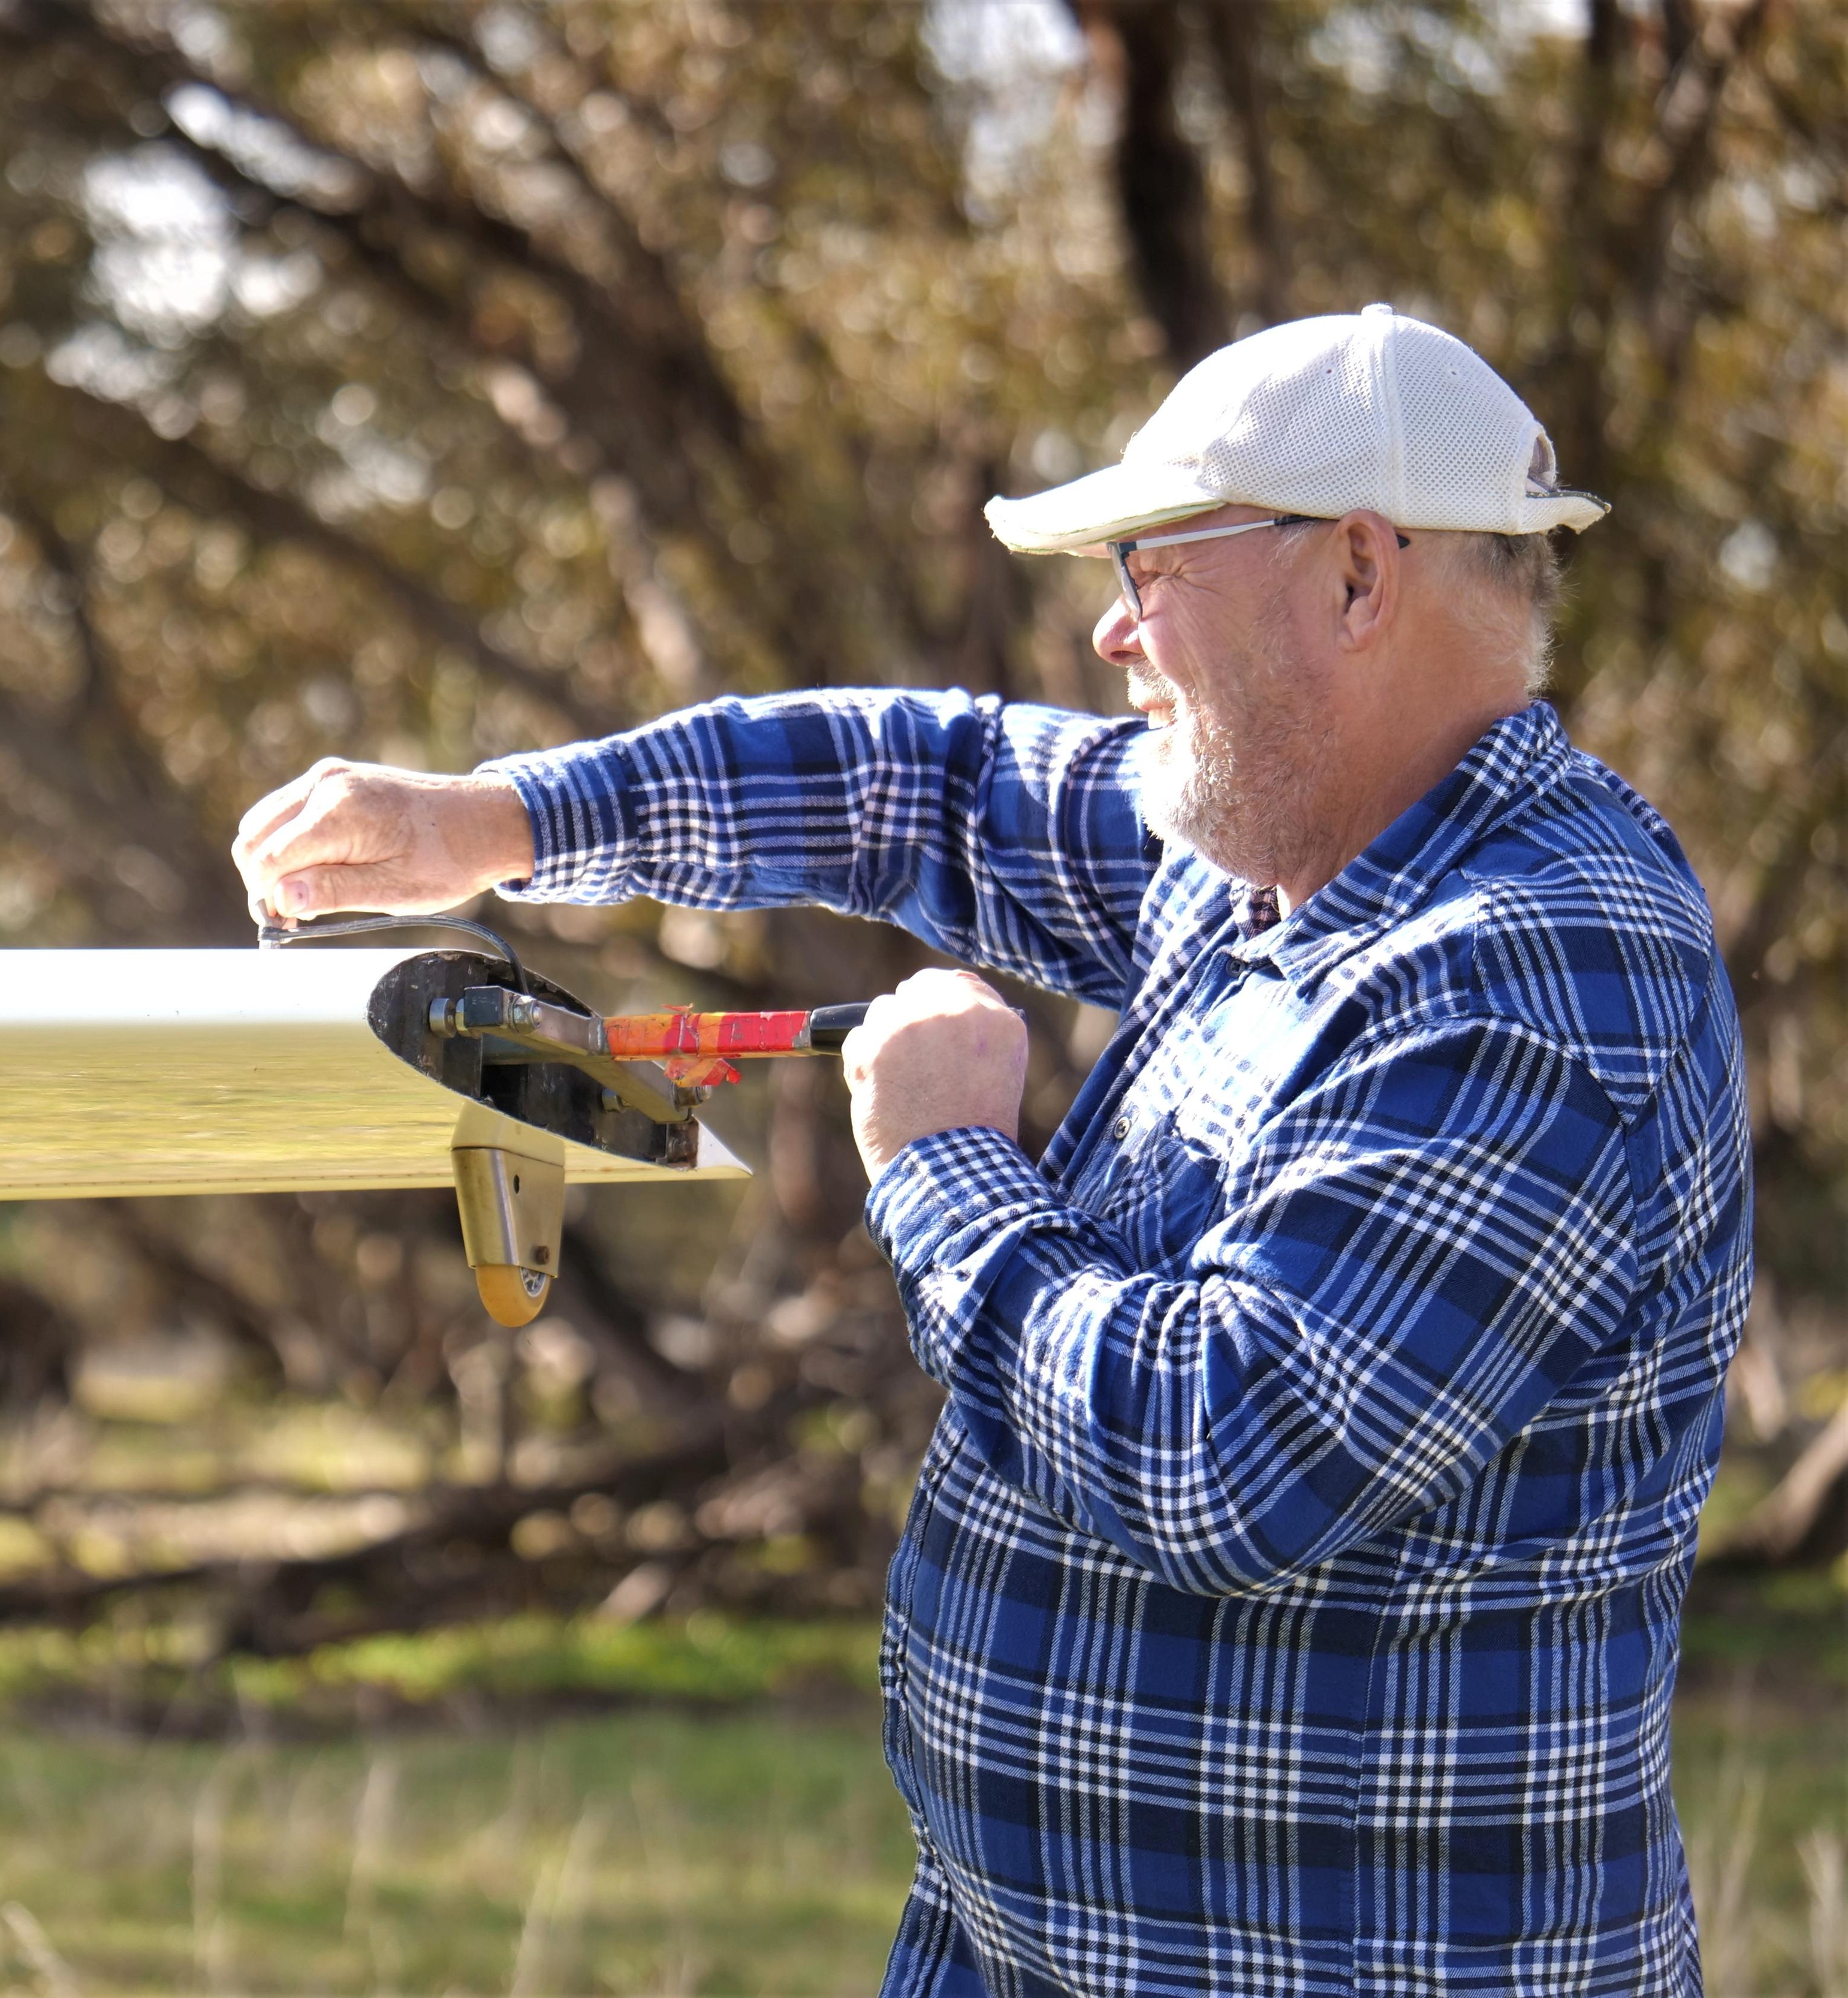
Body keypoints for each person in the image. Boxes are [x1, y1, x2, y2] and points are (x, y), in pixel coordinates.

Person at [232, 307, 1751, 1997]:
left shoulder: (1528, 967)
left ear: (1358, 577)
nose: (1111, 630)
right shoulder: (1284, 861)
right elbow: (921, 780)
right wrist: (499, 822)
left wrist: (946, 1164)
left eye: (1155, 568)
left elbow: (1224, 1457)